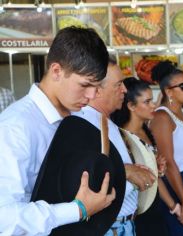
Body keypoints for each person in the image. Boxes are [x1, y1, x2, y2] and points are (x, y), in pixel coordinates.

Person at [0, 27, 116, 235]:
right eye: (85, 85)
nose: (91, 96)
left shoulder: (75, 118)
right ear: (56, 71)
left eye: (96, 87)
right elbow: (5, 218)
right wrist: (77, 210)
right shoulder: (16, 127)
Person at [73, 60, 156, 236]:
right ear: (98, 90)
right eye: (118, 84)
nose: (124, 90)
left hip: (121, 225)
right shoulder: (85, 123)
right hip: (109, 227)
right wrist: (125, 170)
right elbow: (83, 176)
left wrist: (141, 168)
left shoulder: (104, 120)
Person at [111, 77, 178, 236]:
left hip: (154, 203)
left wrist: (158, 169)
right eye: (147, 102)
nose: (153, 105)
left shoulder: (146, 130)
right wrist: (174, 205)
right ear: (131, 106)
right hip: (139, 208)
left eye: (152, 101)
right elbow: (132, 176)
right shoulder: (125, 138)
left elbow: (149, 172)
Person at [150, 61, 183, 236]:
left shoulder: (182, 111)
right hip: (178, 183)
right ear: (168, 91)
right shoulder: (162, 117)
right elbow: (169, 162)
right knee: (180, 230)